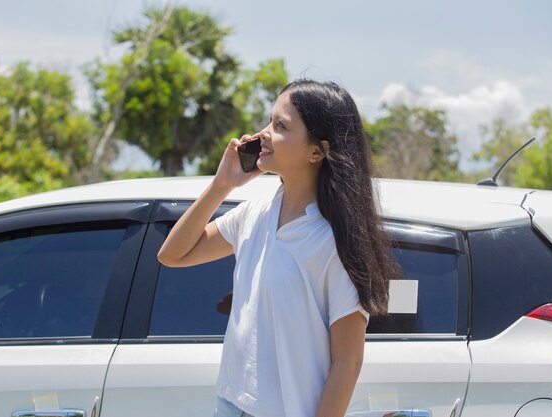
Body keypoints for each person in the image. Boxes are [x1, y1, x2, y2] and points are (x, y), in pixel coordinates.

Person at [158, 79, 396, 417]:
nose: (263, 133)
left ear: (318, 151)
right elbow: (172, 255)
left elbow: (348, 360)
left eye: (280, 126)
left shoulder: (332, 242)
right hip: (230, 404)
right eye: (269, 121)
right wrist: (221, 185)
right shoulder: (254, 214)